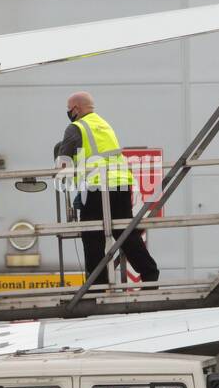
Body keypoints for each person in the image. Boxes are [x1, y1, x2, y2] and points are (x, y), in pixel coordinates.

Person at [55, 91, 159, 286]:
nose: (69, 113)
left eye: (69, 110)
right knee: (125, 233)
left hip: (96, 187)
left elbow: (63, 164)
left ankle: (97, 285)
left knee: (92, 235)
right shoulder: (104, 124)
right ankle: (150, 274)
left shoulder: (75, 128)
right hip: (120, 184)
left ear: (76, 109)